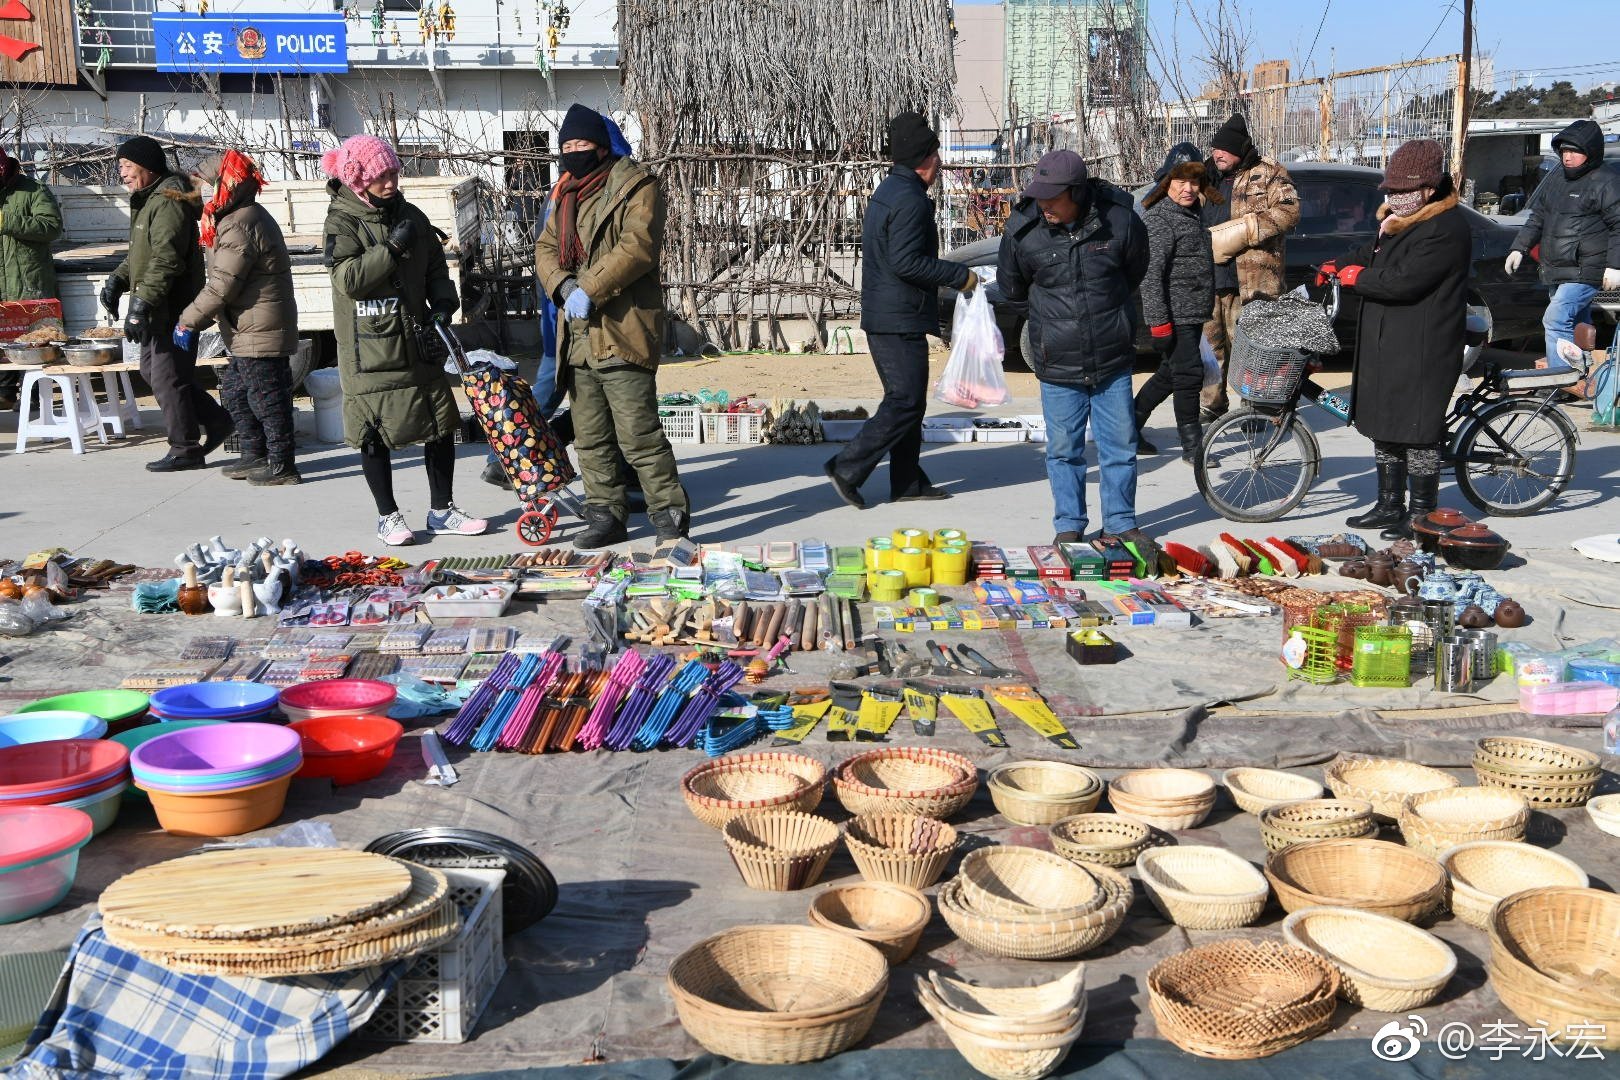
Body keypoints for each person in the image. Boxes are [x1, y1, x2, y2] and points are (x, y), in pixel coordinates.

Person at [534, 103, 689, 548]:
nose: (574, 153)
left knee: (638, 433)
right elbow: (545, 247)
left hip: (622, 328)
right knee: (590, 436)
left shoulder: (637, 185)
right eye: (567, 146)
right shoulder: (563, 192)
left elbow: (637, 247)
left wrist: (590, 288)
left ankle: (669, 518)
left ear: (602, 147)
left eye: (582, 145)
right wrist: (562, 286)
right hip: (576, 334)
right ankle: (604, 515)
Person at [322, 133, 487, 546]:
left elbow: (434, 267)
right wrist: (392, 249)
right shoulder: (341, 221)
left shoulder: (408, 213)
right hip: (370, 350)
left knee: (439, 423)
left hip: (418, 340)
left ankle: (442, 509)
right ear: (359, 180)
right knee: (373, 431)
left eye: (394, 173)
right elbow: (348, 279)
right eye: (382, 176)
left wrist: (444, 303)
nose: (392, 182)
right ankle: (388, 516)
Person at [996, 149, 1154, 556]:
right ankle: (1069, 526)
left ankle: (1120, 524)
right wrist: (1051, 327)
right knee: (1064, 451)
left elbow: (1136, 269)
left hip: (1112, 358)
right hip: (1057, 361)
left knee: (1120, 447)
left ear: (1076, 192)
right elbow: (1012, 291)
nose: (1044, 205)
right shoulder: (1024, 228)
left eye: (1052, 197)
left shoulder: (1119, 218)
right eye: (1040, 196)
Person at [1318, 139, 1471, 539]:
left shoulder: (1446, 228)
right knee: (1384, 423)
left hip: (1424, 345)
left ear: (1430, 189)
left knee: (1418, 430)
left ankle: (1422, 513)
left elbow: (1406, 281)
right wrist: (1340, 264)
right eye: (1392, 190)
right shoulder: (1399, 223)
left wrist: (1359, 278)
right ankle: (1389, 504)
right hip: (1388, 341)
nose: (1396, 197)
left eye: (1405, 191)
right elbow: (1371, 255)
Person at [825, 112, 975, 510]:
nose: (941, 163)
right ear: (924, 158)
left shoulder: (891, 191)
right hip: (896, 317)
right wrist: (958, 275)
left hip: (892, 313)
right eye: (937, 154)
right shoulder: (909, 201)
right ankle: (847, 467)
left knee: (911, 400)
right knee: (904, 400)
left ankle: (907, 480)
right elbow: (907, 262)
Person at [482, 111, 634, 492]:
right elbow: (556, 253)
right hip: (571, 316)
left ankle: (507, 459)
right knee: (568, 394)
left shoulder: (571, 188)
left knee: (583, 396)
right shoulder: (573, 192)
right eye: (572, 146)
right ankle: (505, 458)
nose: (578, 153)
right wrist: (570, 295)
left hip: (572, 313)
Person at [100, 135, 234, 471]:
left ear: (146, 167)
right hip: (159, 304)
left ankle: (185, 448)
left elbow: (166, 258)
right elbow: (140, 255)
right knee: (154, 370)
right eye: (121, 167)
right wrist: (118, 279)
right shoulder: (149, 201)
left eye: (127, 166)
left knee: (166, 376)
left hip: (173, 306)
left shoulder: (168, 201)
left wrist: (142, 302)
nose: (123, 174)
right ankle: (216, 420)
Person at [175, 151, 301, 486]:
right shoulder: (232, 217)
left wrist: (188, 320)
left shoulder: (241, 222)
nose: (201, 193)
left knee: (267, 399)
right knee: (234, 391)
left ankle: (282, 466)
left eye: (205, 185)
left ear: (224, 184)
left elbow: (222, 284)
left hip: (260, 327)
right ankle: (254, 453)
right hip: (245, 327)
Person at [1200, 113, 1300, 421]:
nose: (1217, 154)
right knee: (1209, 351)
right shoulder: (1204, 175)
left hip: (1253, 283)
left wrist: (1246, 231)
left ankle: (1254, 409)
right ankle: (1211, 406)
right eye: (1216, 149)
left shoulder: (1268, 173)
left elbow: (1289, 211)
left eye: (1224, 150)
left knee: (1252, 350)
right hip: (1209, 280)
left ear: (1240, 150)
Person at [1506, 119, 1620, 370]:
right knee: (1578, 325)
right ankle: (1581, 376)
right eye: (1564, 151)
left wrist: (1615, 265)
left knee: (1556, 319)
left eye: (1574, 151)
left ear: (1589, 152)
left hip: (1585, 269)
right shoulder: (1557, 179)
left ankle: (1558, 379)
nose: (1567, 156)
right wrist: (1519, 248)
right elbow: (1537, 217)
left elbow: (1619, 224)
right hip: (1556, 268)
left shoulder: (1607, 181)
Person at [1133, 142, 1221, 463]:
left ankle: (1129, 425)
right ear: (1167, 181)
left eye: (1194, 181)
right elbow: (1151, 275)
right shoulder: (1160, 219)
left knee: (1170, 374)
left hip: (1193, 312)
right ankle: (1192, 447)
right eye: (1180, 181)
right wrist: (1159, 324)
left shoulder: (1193, 214)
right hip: (1174, 314)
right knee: (1188, 375)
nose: (1187, 188)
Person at [0, 147, 63, 413]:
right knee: (3, 336)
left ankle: (37, 395)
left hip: (28, 281)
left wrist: (6, 219)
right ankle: (5, 393)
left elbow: (51, 226)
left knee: (35, 339)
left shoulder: (33, 190)